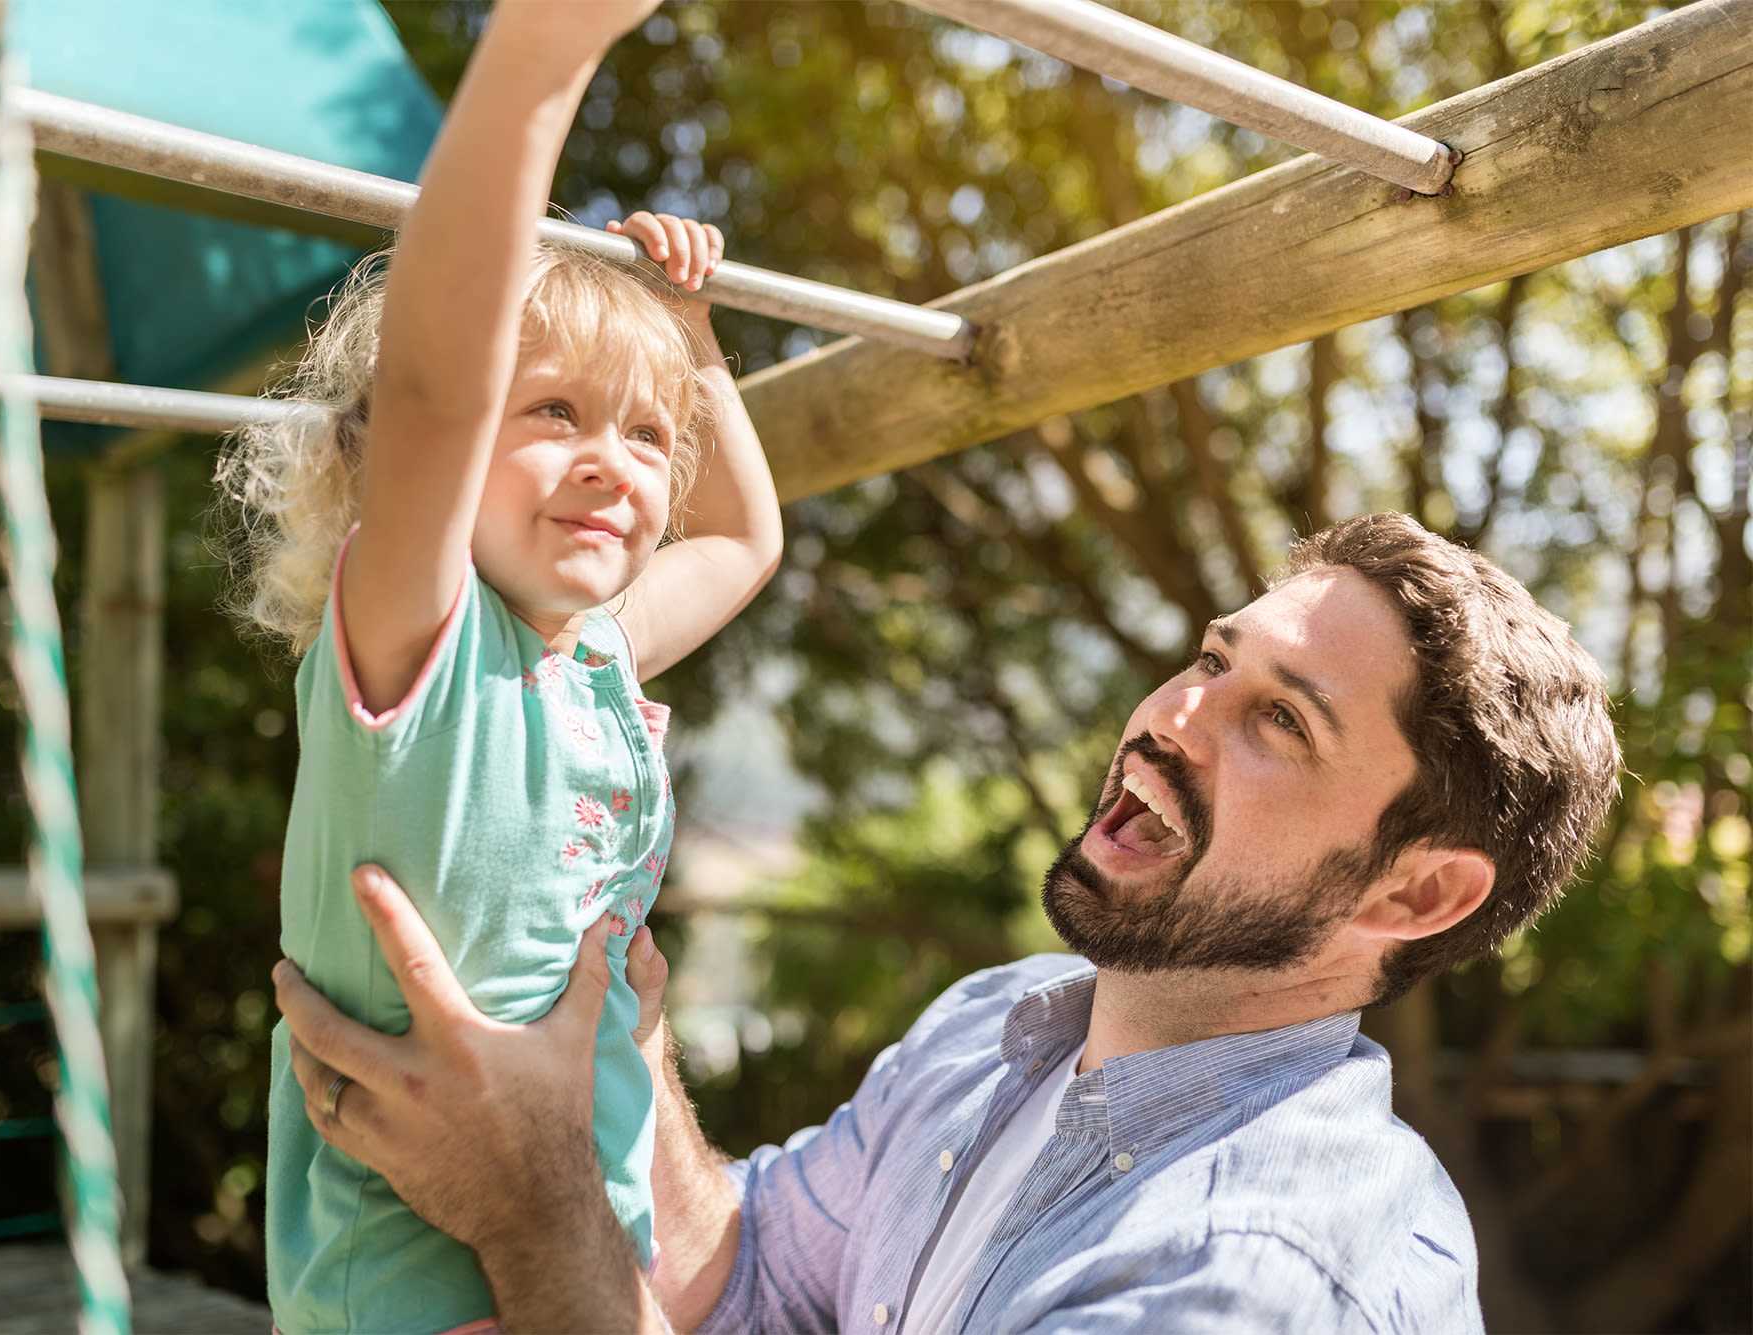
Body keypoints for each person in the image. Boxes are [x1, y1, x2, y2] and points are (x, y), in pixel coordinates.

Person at [275, 513, 1623, 1332]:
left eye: (1281, 719)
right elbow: (743, 1284)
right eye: (1214, 660)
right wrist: (623, 1032)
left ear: (1416, 893)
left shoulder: (1251, 1275)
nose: (1171, 717)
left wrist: (532, 1207)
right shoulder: (1006, 1027)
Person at [214, 0, 782, 1327]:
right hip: (409, 1278)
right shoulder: (423, 642)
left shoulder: (592, 655)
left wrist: (694, 337)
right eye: (557, 414)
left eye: (649, 437)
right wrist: (540, 54)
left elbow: (744, 537)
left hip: (582, 1235)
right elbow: (433, 396)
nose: (614, 461)